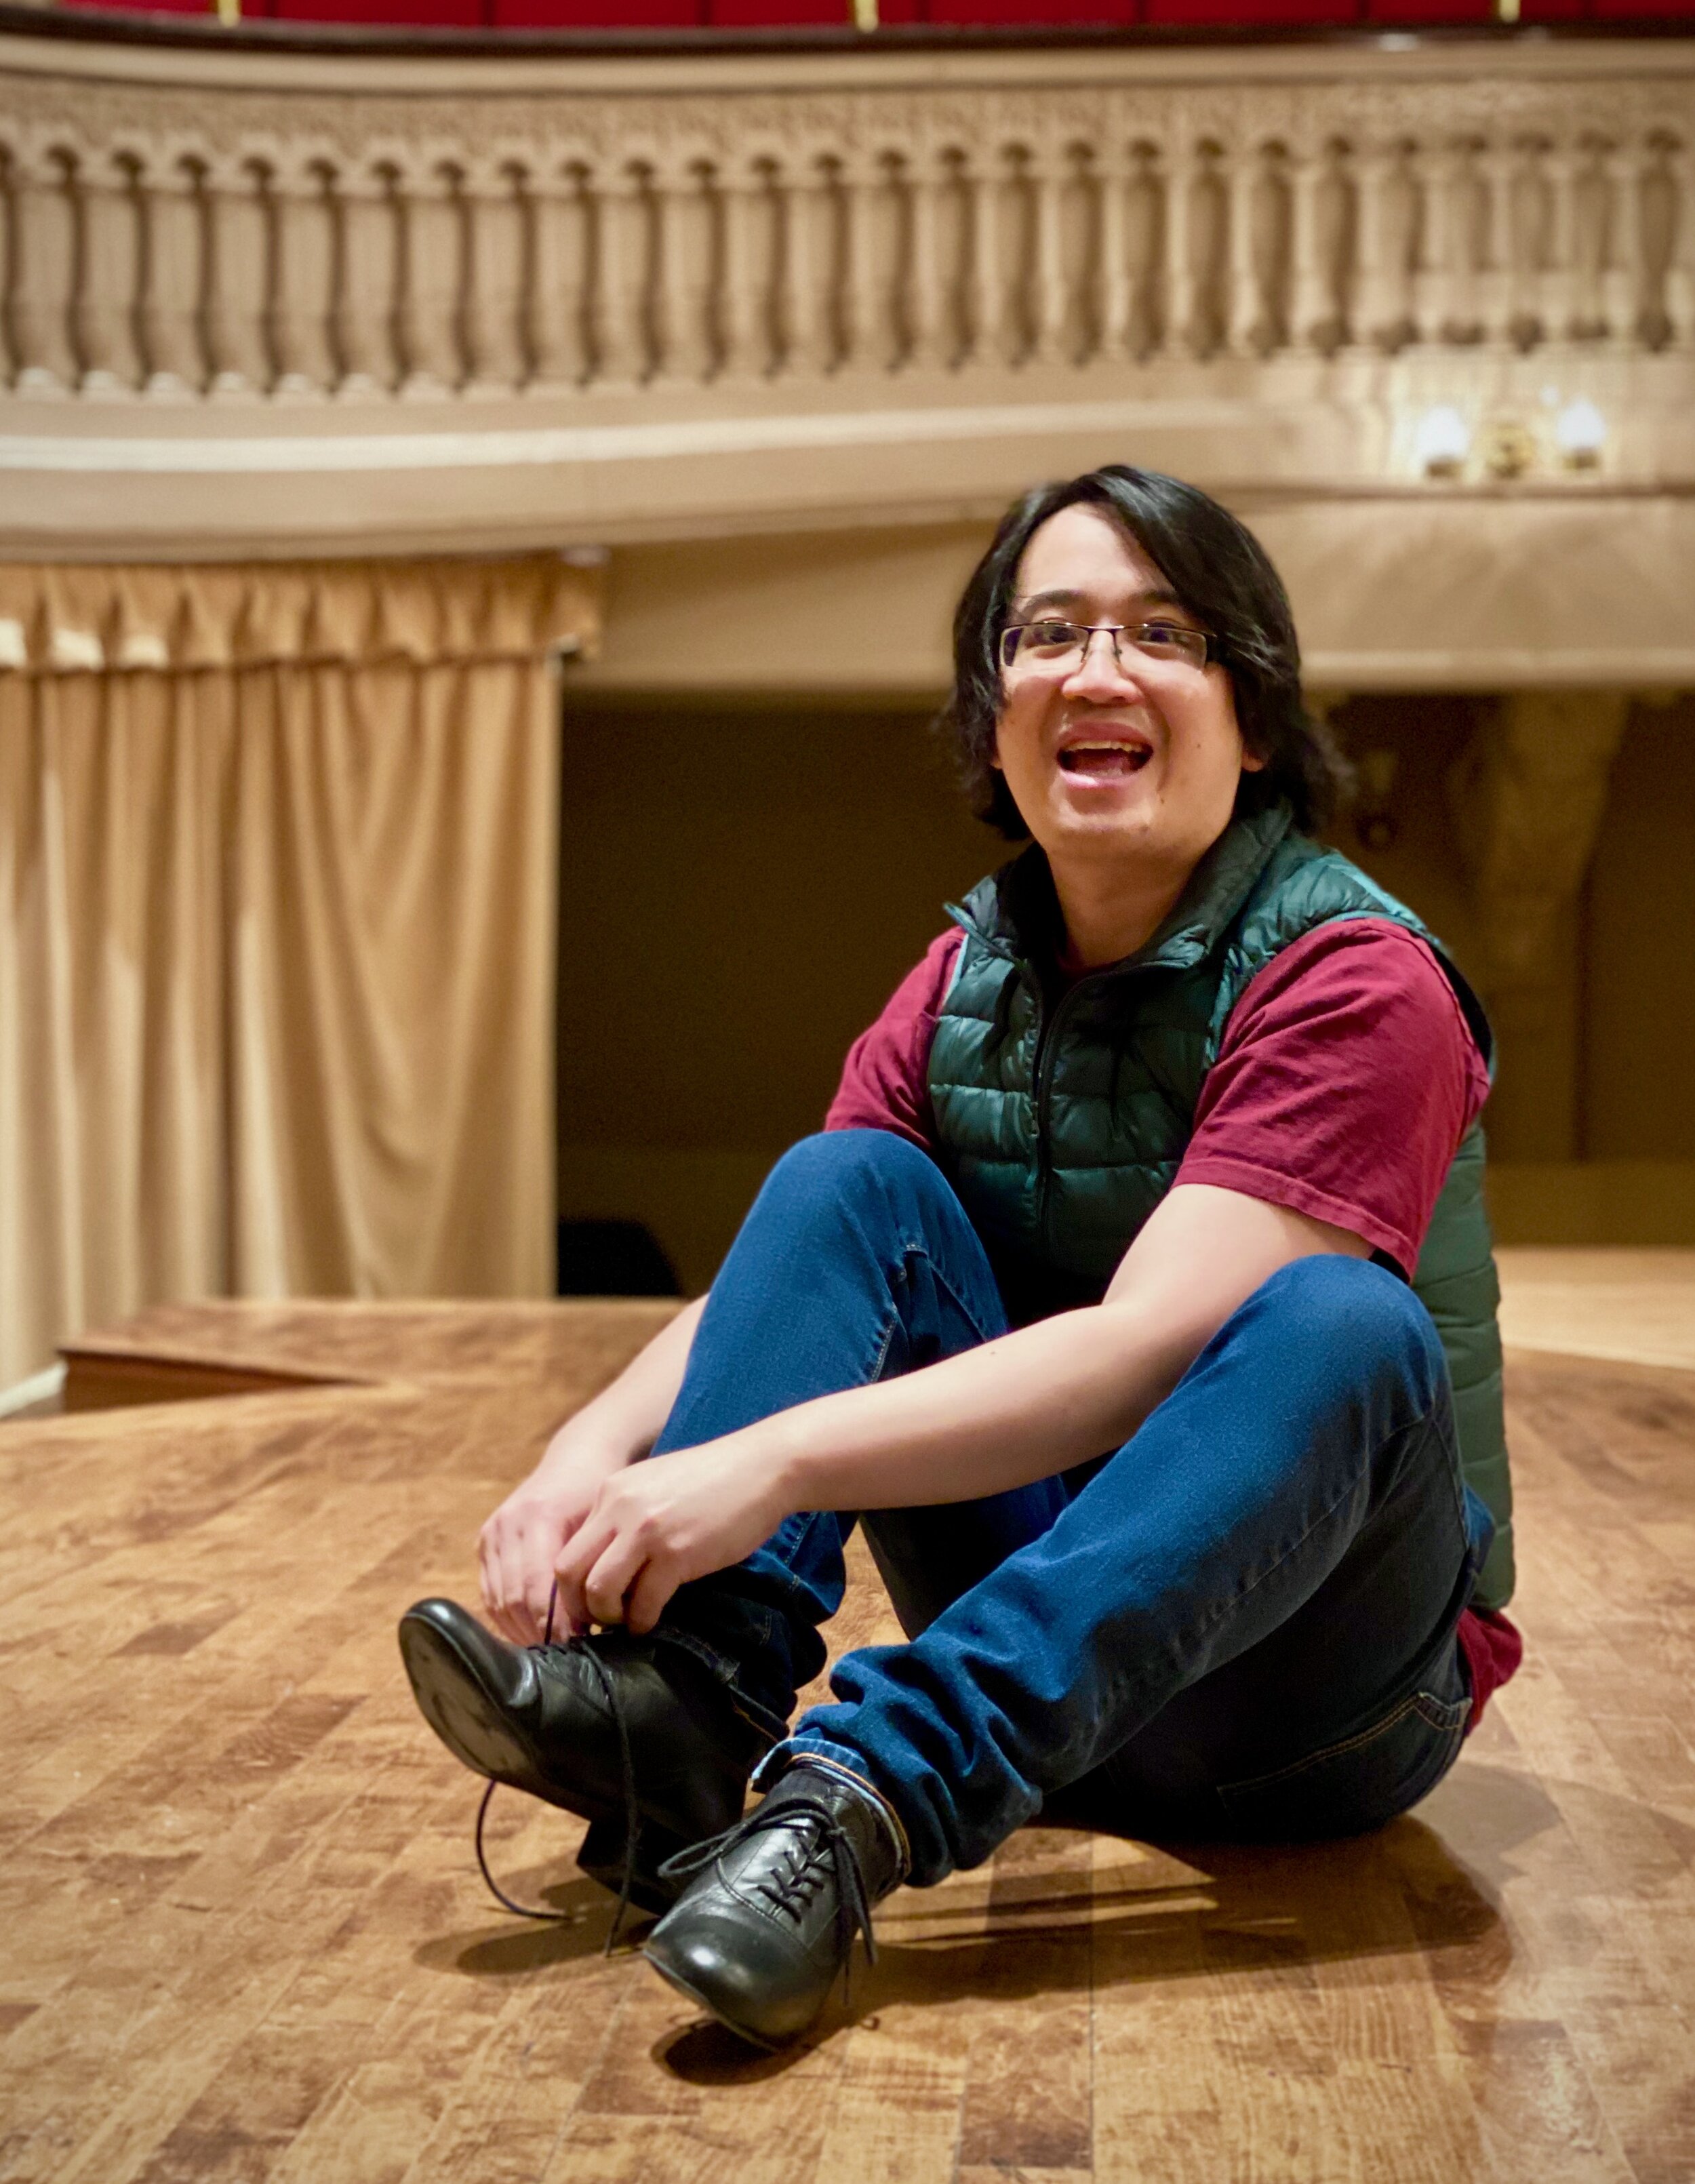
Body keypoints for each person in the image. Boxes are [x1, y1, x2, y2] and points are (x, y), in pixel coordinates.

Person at [399, 466, 1523, 2052]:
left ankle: (854, 1803)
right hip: (1055, 1656)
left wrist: (770, 1460)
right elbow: (796, 1267)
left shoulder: (1356, 980)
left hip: (1308, 1701)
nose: (1093, 668)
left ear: (1251, 717)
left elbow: (1149, 1346)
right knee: (847, 1174)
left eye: (1160, 632)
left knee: (1345, 1323)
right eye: (1044, 632)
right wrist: (587, 1453)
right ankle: (685, 1716)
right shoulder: (960, 975)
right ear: (992, 713)